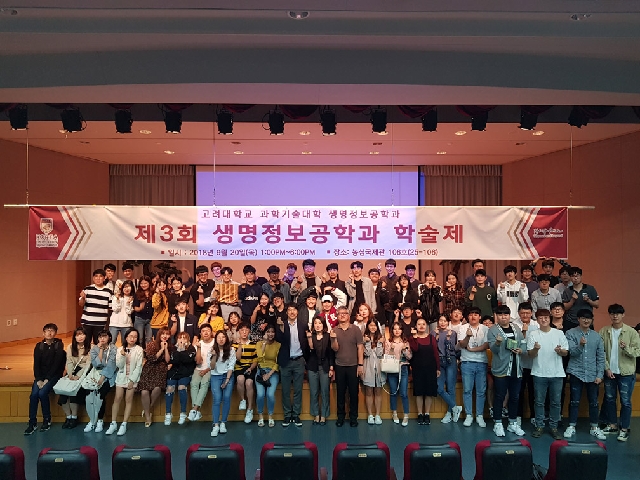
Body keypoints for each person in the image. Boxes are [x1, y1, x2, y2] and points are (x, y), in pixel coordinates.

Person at [600, 303, 640, 442]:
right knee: (610, 399)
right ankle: (612, 425)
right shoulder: (604, 331)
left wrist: (626, 348)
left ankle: (624, 429)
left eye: (617, 313)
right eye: (612, 313)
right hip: (610, 372)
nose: (615, 316)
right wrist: (606, 368)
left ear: (623, 315)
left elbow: (637, 352)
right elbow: (600, 352)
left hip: (626, 373)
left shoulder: (631, 332)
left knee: (625, 402)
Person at [563, 310, 606, 440]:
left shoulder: (596, 336)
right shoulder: (570, 333)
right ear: (578, 319)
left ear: (592, 320)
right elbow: (572, 352)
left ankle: (594, 427)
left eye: (588, 318)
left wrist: (600, 375)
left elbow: (601, 357)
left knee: (594, 402)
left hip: (593, 374)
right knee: (574, 401)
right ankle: (571, 426)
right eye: (583, 318)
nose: (586, 320)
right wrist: (580, 345)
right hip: (576, 372)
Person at [527, 309, 568, 440]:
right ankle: (539, 426)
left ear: (550, 318)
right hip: (539, 373)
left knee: (556, 402)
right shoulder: (533, 334)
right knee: (539, 402)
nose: (543, 320)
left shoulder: (559, 333)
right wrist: (535, 349)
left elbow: (566, 352)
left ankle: (554, 427)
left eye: (546, 317)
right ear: (537, 320)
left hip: (557, 373)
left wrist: (560, 351)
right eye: (540, 318)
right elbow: (530, 354)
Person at [488, 305, 526, 437]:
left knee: (515, 396)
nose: (503, 317)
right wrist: (497, 343)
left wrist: (521, 350)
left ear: (509, 316)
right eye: (500, 315)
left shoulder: (516, 328)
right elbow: (494, 350)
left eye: (506, 314)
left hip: (516, 367)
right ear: (496, 316)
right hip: (501, 368)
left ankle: (512, 423)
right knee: (500, 395)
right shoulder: (492, 330)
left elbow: (523, 343)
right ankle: (498, 423)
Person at [24, 323, 66, 435]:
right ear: (43, 333)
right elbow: (36, 364)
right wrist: (38, 379)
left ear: (55, 333)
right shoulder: (39, 346)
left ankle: (47, 419)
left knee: (42, 393)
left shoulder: (59, 345)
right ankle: (32, 422)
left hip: (54, 375)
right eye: (47, 330)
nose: (49, 333)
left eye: (52, 330)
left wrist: (47, 379)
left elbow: (57, 364)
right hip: (41, 377)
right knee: (34, 395)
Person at [275, 303, 309, 427]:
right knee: (285, 390)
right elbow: (279, 340)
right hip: (286, 361)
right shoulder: (282, 324)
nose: (292, 312)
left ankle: (296, 415)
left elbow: (306, 342)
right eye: (289, 310)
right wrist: (281, 329)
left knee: (298, 390)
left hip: (299, 361)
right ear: (286, 312)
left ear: (297, 312)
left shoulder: (303, 325)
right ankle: (287, 415)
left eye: (294, 310)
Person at [106, 328, 144, 436]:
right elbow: (119, 365)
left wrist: (132, 380)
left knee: (128, 400)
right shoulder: (120, 349)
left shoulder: (139, 349)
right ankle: (113, 423)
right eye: (130, 336)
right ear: (126, 337)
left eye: (135, 337)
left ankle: (124, 424)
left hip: (132, 378)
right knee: (117, 398)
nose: (133, 339)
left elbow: (139, 366)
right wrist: (122, 356)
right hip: (121, 377)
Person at [331, 306, 364, 427]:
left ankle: (353, 417)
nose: (342, 315)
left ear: (349, 316)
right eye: (340, 313)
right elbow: (335, 349)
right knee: (340, 393)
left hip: (353, 366)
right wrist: (333, 339)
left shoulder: (355, 329)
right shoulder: (334, 330)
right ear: (337, 316)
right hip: (339, 365)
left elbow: (360, 347)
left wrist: (360, 365)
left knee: (353, 393)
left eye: (345, 313)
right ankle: (340, 416)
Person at [457, 306, 489, 427]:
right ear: (467, 317)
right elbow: (462, 344)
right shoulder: (463, 328)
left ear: (480, 317)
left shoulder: (485, 329)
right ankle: (469, 415)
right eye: (470, 314)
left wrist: (472, 349)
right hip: (467, 362)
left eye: (476, 314)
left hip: (481, 362)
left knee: (481, 391)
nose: (473, 316)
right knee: (467, 390)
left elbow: (486, 345)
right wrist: (468, 336)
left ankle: (479, 415)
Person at [83, 330, 117, 433]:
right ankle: (92, 420)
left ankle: (100, 420)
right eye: (100, 337)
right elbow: (97, 364)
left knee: (100, 394)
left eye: (105, 336)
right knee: (89, 393)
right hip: (95, 374)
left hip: (109, 375)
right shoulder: (94, 349)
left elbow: (111, 365)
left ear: (109, 338)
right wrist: (101, 350)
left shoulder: (113, 348)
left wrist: (102, 378)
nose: (102, 339)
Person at [58, 327, 92, 430]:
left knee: (74, 394)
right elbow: (69, 361)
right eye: (78, 335)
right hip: (72, 372)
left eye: (82, 334)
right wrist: (70, 374)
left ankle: (74, 417)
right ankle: (68, 417)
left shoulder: (91, 347)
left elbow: (88, 365)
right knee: (63, 394)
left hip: (84, 373)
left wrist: (78, 376)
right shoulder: (70, 347)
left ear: (86, 336)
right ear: (75, 337)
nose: (80, 337)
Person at [409, 318, 441, 425]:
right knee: (419, 392)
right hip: (417, 368)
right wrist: (414, 337)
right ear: (416, 326)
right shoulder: (412, 338)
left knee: (429, 392)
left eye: (423, 324)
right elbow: (415, 349)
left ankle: (427, 414)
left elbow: (436, 353)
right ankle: (420, 414)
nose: (421, 326)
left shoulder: (432, 338)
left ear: (427, 325)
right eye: (419, 324)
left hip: (430, 368)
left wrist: (438, 368)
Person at [138, 327, 171, 426]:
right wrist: (161, 349)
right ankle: (148, 417)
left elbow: (167, 360)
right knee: (144, 391)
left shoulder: (170, 346)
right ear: (159, 335)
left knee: (157, 388)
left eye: (167, 334)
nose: (165, 336)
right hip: (149, 369)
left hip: (160, 370)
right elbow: (152, 358)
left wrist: (166, 349)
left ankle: (147, 409)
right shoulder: (151, 344)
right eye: (163, 334)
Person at [434, 315, 462, 424]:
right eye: (440, 320)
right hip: (439, 362)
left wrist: (449, 339)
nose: (442, 323)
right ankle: (455, 407)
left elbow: (455, 349)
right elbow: (433, 348)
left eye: (445, 321)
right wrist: (436, 336)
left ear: (448, 322)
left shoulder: (453, 333)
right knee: (439, 387)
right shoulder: (433, 333)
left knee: (451, 388)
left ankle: (449, 413)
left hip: (451, 361)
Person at [164, 331, 196, 426]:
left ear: (188, 340)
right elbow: (174, 360)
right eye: (180, 338)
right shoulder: (173, 348)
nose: (182, 340)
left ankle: (183, 413)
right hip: (174, 372)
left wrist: (182, 350)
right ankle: (168, 413)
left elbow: (187, 360)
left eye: (184, 338)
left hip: (185, 373)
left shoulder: (191, 348)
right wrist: (179, 350)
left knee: (182, 387)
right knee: (169, 388)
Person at [307, 315, 334, 425]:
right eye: (315, 323)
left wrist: (331, 367)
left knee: (325, 392)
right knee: (314, 392)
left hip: (325, 367)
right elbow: (309, 350)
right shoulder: (310, 336)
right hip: (312, 367)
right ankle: (316, 415)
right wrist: (309, 339)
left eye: (320, 323)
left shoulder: (328, 336)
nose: (317, 325)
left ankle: (324, 415)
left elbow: (331, 353)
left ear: (323, 325)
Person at [210, 330, 237, 436]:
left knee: (226, 398)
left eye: (223, 337)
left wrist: (227, 380)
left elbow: (231, 366)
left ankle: (223, 423)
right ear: (216, 339)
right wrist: (214, 356)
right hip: (215, 376)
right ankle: (215, 424)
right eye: (219, 337)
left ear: (226, 339)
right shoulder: (212, 350)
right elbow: (211, 367)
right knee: (217, 399)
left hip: (227, 376)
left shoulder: (231, 350)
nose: (221, 339)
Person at [385, 322, 412, 426]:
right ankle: (394, 413)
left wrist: (405, 349)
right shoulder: (388, 342)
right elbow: (386, 356)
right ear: (392, 331)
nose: (397, 331)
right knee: (393, 392)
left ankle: (406, 415)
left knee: (404, 393)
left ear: (401, 331)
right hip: (392, 369)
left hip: (403, 368)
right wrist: (391, 348)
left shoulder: (405, 342)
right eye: (395, 329)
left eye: (399, 329)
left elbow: (409, 357)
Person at [255, 325, 281, 427]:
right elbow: (260, 357)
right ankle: (260, 416)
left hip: (272, 372)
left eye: (272, 332)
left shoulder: (278, 345)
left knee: (270, 394)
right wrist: (264, 343)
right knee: (260, 394)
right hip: (261, 371)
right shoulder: (259, 344)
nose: (270, 334)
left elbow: (278, 362)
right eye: (268, 332)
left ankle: (270, 416)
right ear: (265, 333)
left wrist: (269, 374)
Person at [516, 303, 538, 426]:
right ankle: (518, 416)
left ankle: (534, 416)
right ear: (519, 313)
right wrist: (523, 333)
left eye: (527, 313)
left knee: (533, 392)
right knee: (518, 392)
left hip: (534, 364)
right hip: (519, 364)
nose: (525, 315)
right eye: (523, 313)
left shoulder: (537, 325)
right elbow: (514, 344)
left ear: (531, 313)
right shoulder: (514, 325)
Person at [79, 268, 113, 345]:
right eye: (96, 276)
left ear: (104, 278)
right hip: (87, 321)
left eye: (100, 276)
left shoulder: (108, 292)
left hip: (100, 322)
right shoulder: (87, 289)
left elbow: (110, 308)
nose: (98, 278)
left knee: (99, 344)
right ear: (93, 278)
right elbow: (81, 304)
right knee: (85, 343)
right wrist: (83, 298)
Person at [232, 323, 258, 424]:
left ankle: (250, 409)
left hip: (250, 367)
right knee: (240, 379)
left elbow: (255, 360)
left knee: (249, 383)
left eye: (246, 330)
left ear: (249, 332)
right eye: (242, 330)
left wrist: (251, 368)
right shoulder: (234, 345)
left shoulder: (253, 344)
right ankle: (243, 400)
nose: (244, 332)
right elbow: (237, 358)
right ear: (238, 332)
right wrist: (240, 345)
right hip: (239, 367)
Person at [189, 323, 214, 421]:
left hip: (211, 369)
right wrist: (199, 348)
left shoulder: (215, 343)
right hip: (199, 368)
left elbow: (216, 361)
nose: (206, 333)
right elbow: (198, 361)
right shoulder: (198, 344)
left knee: (204, 383)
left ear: (211, 332)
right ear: (200, 333)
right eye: (203, 331)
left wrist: (206, 370)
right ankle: (196, 411)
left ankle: (194, 409)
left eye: (208, 330)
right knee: (193, 383)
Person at [363, 318, 385, 425]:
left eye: (374, 325)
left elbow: (380, 354)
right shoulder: (363, 338)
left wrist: (380, 343)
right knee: (368, 391)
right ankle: (370, 415)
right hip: (368, 367)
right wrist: (367, 342)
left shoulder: (381, 338)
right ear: (367, 326)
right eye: (370, 325)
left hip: (379, 368)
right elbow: (366, 353)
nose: (372, 327)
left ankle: (378, 415)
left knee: (378, 391)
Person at [109, 279, 134, 346]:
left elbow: (129, 312)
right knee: (111, 343)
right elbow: (115, 309)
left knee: (125, 344)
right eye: (125, 287)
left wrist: (128, 303)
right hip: (114, 323)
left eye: (129, 287)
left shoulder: (132, 298)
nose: (127, 289)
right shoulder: (116, 297)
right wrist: (117, 299)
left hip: (126, 324)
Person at [132, 275, 154, 346]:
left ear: (149, 283)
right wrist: (139, 308)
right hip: (139, 319)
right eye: (141, 283)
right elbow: (134, 307)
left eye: (145, 283)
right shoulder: (137, 294)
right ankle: (139, 352)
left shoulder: (153, 293)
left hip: (151, 319)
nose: (143, 285)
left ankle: (148, 352)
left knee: (149, 339)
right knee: (140, 338)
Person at [380, 258, 400, 326]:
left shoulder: (398, 279)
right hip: (383, 307)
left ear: (394, 267)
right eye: (387, 266)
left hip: (394, 308)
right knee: (382, 326)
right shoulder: (383, 278)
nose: (389, 268)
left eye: (391, 266)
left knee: (393, 327)